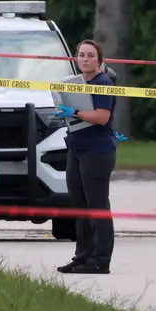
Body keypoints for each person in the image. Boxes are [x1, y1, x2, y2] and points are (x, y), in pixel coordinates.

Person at [55, 39, 118, 274]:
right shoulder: (76, 83)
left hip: (97, 151)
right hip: (76, 148)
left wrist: (75, 112)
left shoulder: (103, 82)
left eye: (90, 55)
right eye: (81, 55)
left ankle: (100, 260)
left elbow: (102, 116)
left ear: (99, 60)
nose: (85, 59)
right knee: (80, 207)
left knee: (97, 205)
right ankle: (82, 256)